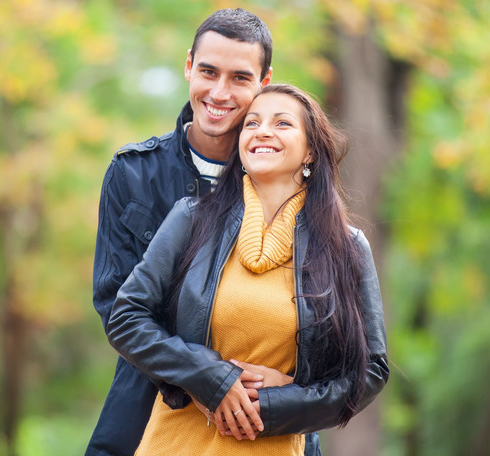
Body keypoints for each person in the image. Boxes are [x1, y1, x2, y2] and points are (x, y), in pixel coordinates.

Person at [108, 83, 389, 455]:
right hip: (176, 442)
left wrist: (279, 404)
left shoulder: (347, 247)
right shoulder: (191, 219)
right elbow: (126, 317)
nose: (262, 131)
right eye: (251, 123)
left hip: (272, 444)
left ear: (310, 152)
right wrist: (210, 378)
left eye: (282, 123)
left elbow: (370, 371)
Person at [86, 8, 276, 456]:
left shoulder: (282, 182)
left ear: (264, 83)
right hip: (145, 410)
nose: (219, 92)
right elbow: (117, 309)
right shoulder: (131, 174)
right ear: (189, 65)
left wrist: (268, 385)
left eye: (240, 78)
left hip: (260, 414)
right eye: (208, 71)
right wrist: (208, 377)